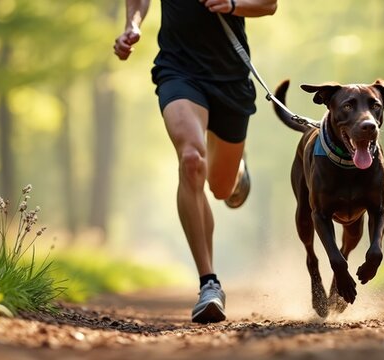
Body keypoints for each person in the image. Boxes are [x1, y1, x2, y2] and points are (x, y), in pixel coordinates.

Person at [114, 0, 278, 323]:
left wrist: (232, 5)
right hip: (179, 69)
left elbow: (269, 4)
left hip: (230, 77)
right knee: (191, 159)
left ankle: (236, 171)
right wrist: (132, 24)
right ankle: (209, 283)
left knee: (220, 188)